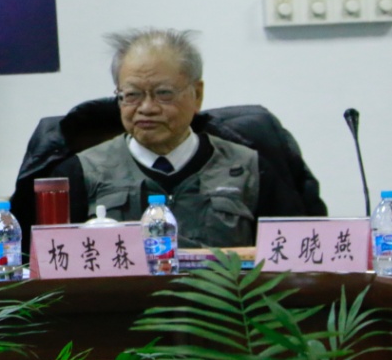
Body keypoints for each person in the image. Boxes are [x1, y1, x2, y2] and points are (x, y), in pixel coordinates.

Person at [70, 28, 302, 249]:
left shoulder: (249, 169)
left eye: (163, 93)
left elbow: (293, 257)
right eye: (132, 95)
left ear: (197, 94)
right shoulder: (82, 172)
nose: (147, 108)